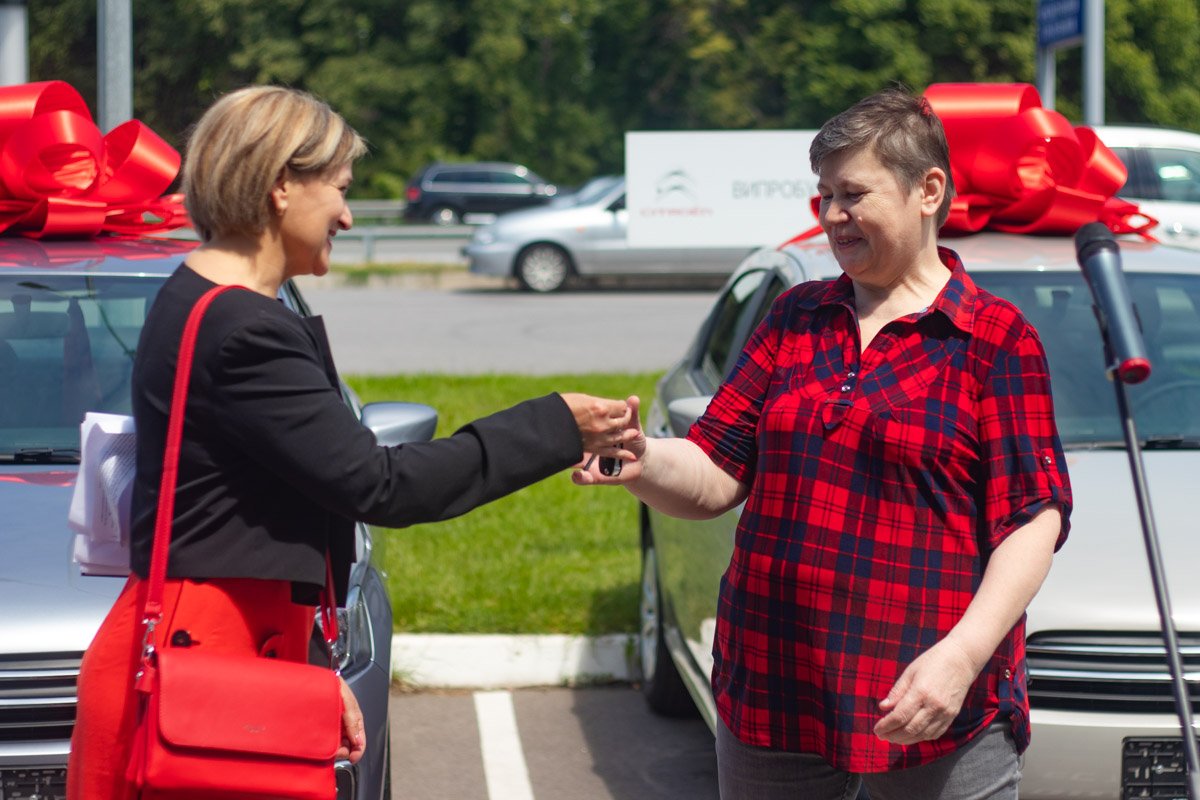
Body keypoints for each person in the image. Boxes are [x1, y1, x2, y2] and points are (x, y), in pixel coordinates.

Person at [66, 85, 633, 800]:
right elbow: (380, 485)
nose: (347, 213)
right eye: (338, 188)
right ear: (279, 185)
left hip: (206, 656)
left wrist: (305, 670)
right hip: (208, 671)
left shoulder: (198, 297)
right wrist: (556, 425)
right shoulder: (246, 331)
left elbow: (241, 517)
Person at [575, 87, 1073, 799]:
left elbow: (1032, 518)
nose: (833, 216)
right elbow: (716, 469)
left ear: (928, 189)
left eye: (853, 194)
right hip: (776, 694)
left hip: (926, 705)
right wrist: (642, 457)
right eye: (823, 196)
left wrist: (961, 657)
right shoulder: (798, 314)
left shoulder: (994, 340)